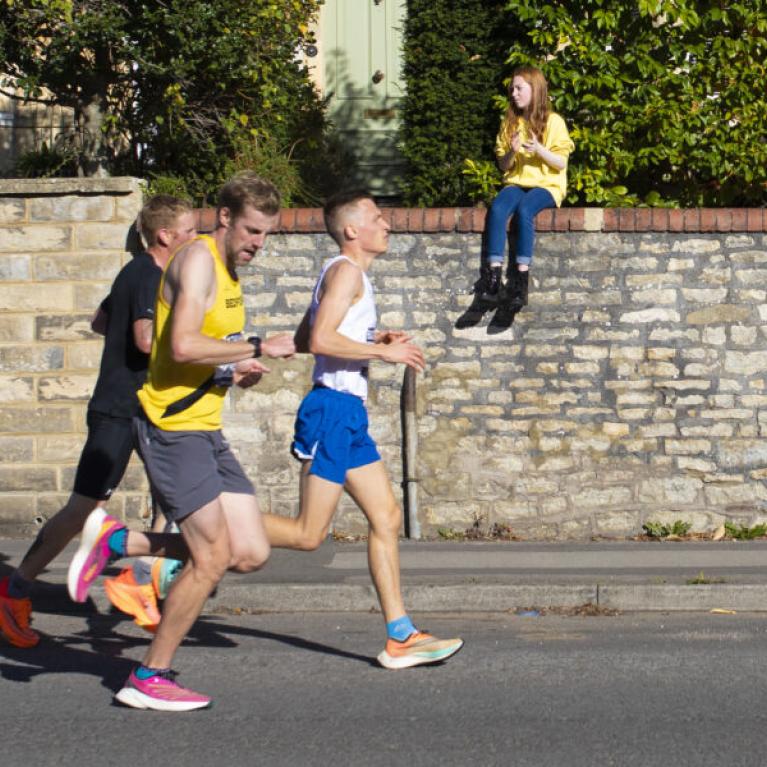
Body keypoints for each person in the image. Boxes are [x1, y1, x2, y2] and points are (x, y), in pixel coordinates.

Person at [67, 172, 296, 712]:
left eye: (266, 235)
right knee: (212, 556)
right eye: (252, 232)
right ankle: (149, 675)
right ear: (224, 218)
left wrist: (233, 369)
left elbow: (194, 355)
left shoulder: (227, 271)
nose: (257, 245)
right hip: (172, 427)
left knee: (250, 551)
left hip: (204, 425)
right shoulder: (196, 260)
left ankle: (121, 543)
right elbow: (183, 343)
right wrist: (254, 344)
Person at [262, 189, 463, 670]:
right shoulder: (346, 271)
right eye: (377, 217)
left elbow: (319, 336)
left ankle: (400, 636)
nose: (387, 224)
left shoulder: (350, 277)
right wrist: (384, 353)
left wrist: (375, 336)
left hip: (348, 413)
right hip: (332, 410)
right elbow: (320, 338)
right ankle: (195, 533)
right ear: (353, 230)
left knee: (388, 517)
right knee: (309, 535)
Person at [0, 195, 196, 649]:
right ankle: (15, 590)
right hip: (119, 410)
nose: (195, 238)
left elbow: (100, 320)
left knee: (173, 499)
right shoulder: (148, 274)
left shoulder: (140, 274)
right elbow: (145, 340)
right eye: (188, 230)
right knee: (81, 508)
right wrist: (193, 348)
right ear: (166, 236)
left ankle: (144, 581)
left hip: (147, 407)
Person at [479, 65, 574, 309]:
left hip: (547, 184)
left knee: (524, 211)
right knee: (499, 208)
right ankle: (493, 276)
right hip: (517, 182)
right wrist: (512, 150)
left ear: (535, 89)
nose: (514, 93)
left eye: (519, 88)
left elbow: (561, 163)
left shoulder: (553, 122)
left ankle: (521, 280)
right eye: (512, 89)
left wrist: (539, 150)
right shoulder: (510, 123)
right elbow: (503, 165)